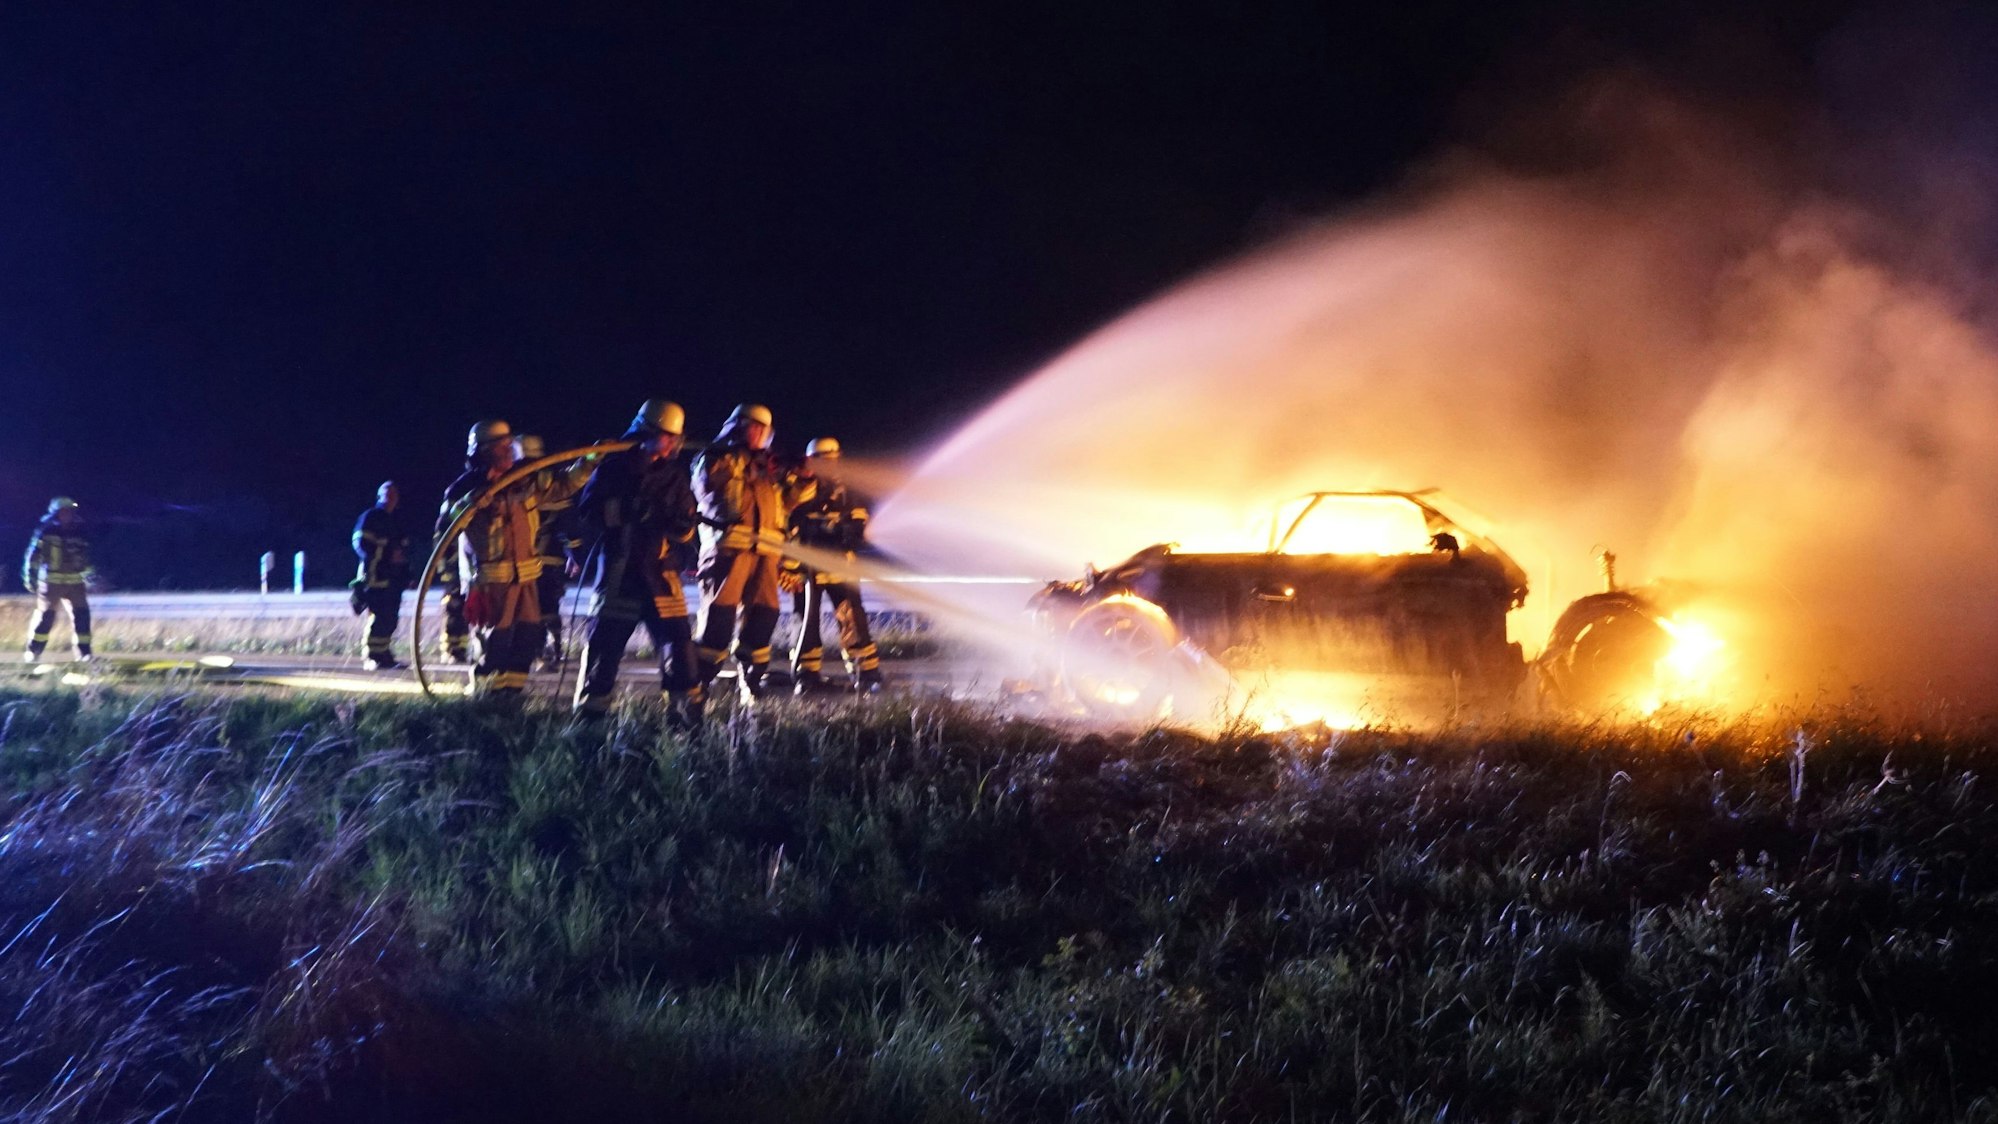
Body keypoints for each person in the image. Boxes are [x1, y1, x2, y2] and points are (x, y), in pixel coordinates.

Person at [571, 399, 705, 725]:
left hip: (661, 576)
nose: (673, 444)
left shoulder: (673, 476)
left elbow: (686, 530)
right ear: (647, 432)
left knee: (680, 650)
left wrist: (681, 527)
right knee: (604, 651)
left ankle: (686, 720)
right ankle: (589, 721)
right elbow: (588, 514)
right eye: (667, 437)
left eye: (676, 438)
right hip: (620, 576)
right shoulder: (613, 468)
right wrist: (627, 510)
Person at [437, 420, 590, 696]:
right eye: (502, 446)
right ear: (484, 451)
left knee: (527, 637)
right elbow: (445, 529)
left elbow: (562, 486)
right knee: (495, 642)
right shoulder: (464, 488)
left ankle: (512, 698)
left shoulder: (525, 478)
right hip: (491, 584)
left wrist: (589, 462)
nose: (510, 450)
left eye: (511, 444)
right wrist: (471, 503)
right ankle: (485, 699)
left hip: (527, 581)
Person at [691, 403, 802, 699]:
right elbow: (707, 488)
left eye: (764, 429)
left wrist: (798, 478)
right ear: (738, 426)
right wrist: (740, 458)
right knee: (719, 620)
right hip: (728, 552)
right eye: (754, 427)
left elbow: (786, 506)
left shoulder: (767, 467)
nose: (760, 434)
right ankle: (698, 688)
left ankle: (750, 683)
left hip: (766, 555)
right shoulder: (715, 456)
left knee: (765, 617)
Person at [786, 438, 883, 693]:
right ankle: (807, 676)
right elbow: (788, 521)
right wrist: (790, 565)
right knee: (805, 621)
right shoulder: (798, 485)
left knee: (852, 618)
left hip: (842, 563)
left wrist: (852, 527)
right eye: (824, 461)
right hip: (807, 567)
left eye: (833, 460)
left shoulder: (846, 488)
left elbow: (860, 516)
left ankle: (866, 672)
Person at [514, 434, 581, 664]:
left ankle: (544, 649)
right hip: (543, 559)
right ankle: (549, 648)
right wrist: (574, 554)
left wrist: (574, 554)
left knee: (536, 606)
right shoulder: (550, 482)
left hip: (530, 560)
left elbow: (567, 523)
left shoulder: (514, 482)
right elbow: (568, 524)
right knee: (545, 605)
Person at [21, 496, 93, 663]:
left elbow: (86, 559)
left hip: (75, 583)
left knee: (82, 616)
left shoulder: (80, 533)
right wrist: (30, 579)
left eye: (69, 512)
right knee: (46, 618)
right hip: (51, 583)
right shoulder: (46, 532)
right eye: (63, 512)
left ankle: (84, 654)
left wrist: (91, 577)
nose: (67, 515)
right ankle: (34, 652)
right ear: (55, 514)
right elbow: (33, 557)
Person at [350, 481, 413, 670]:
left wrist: (408, 574)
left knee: (390, 616)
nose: (390, 497)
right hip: (374, 574)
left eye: (393, 493)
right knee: (379, 614)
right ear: (379, 496)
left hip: (393, 577)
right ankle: (372, 655)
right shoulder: (371, 517)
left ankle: (384, 654)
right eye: (387, 493)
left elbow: (402, 551)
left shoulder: (395, 520)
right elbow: (360, 542)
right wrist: (384, 554)